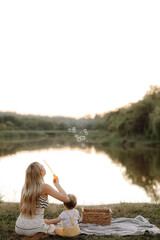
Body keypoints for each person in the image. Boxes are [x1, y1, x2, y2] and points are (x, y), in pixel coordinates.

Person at [15, 161, 69, 237]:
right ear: (41, 172)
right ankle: (39, 234)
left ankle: (31, 235)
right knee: (53, 227)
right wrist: (57, 184)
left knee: (44, 222)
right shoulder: (45, 187)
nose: (44, 167)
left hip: (19, 227)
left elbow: (21, 208)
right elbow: (66, 199)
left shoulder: (25, 187)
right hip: (34, 228)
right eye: (43, 166)